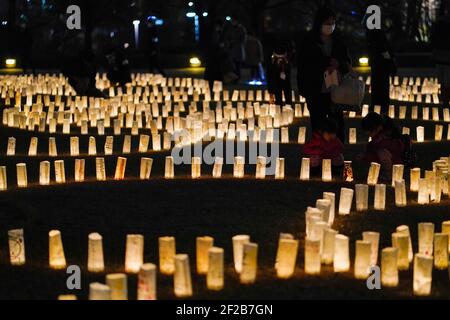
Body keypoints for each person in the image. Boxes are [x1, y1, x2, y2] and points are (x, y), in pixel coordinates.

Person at [297, 7, 351, 143]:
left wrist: (339, 64)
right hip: (315, 87)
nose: (330, 25)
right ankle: (319, 148)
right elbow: (304, 62)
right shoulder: (309, 40)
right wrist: (326, 62)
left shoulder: (338, 40)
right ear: (319, 23)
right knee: (317, 119)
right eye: (327, 22)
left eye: (333, 22)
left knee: (337, 120)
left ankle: (337, 149)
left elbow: (347, 61)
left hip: (335, 88)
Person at [359, 112, 405, 181]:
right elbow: (372, 149)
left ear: (379, 128)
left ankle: (388, 175)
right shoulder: (378, 139)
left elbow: (378, 152)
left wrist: (366, 156)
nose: (369, 135)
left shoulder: (387, 139)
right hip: (385, 162)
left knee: (382, 153)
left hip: (394, 165)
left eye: (370, 132)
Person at [364, 18, 396, 113]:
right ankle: (382, 106)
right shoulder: (377, 33)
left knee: (378, 86)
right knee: (382, 87)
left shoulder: (371, 34)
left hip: (378, 64)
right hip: (381, 64)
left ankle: (377, 106)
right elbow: (384, 48)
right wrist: (390, 59)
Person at [431, 15, 450, 107]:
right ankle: (445, 101)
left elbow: (433, 43)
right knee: (446, 82)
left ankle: (445, 101)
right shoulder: (441, 35)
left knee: (443, 82)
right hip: (445, 59)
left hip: (440, 59)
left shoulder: (437, 33)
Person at [267, 41, 292, 106]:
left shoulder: (286, 61)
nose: (280, 59)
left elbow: (288, 73)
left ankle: (288, 108)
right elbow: (269, 76)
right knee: (278, 100)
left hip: (286, 83)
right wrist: (271, 91)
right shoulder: (272, 62)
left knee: (288, 99)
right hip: (276, 83)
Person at [224, 15, 247, 81]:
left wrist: (234, 41)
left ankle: (237, 78)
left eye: (233, 21)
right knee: (232, 65)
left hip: (238, 50)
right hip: (232, 50)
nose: (232, 22)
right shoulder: (231, 28)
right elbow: (227, 37)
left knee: (237, 65)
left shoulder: (241, 29)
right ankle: (234, 78)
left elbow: (243, 39)